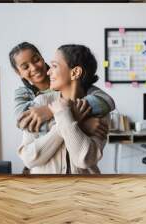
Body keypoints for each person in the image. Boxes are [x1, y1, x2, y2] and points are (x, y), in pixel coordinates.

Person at [17, 44, 110, 174]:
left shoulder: (98, 108)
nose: (48, 71)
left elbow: (85, 159)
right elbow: (29, 159)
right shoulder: (40, 103)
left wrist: (64, 114)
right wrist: (75, 120)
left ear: (75, 72)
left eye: (54, 66)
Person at [10, 42, 114, 139]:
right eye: (25, 67)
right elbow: (26, 124)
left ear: (42, 57)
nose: (33, 68)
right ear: (18, 72)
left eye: (36, 59)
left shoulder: (66, 80)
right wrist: (79, 123)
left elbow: (107, 101)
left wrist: (51, 110)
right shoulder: (24, 94)